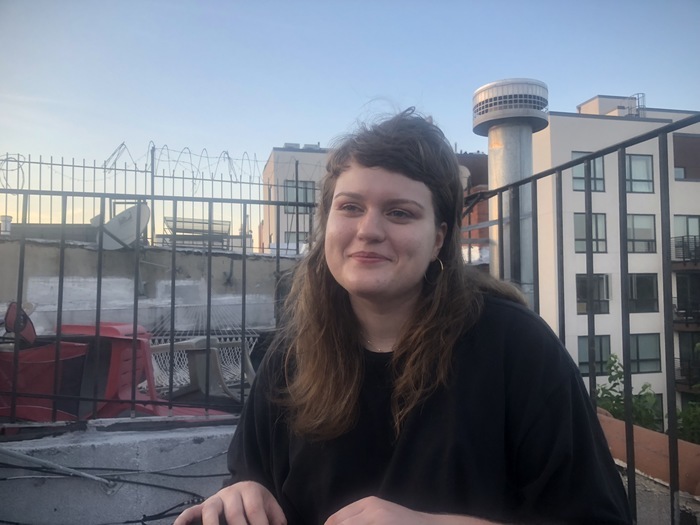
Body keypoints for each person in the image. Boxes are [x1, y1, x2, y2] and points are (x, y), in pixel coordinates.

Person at [175, 109, 632, 525]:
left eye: (399, 213)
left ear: (438, 240)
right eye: (350, 207)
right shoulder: (291, 355)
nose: (368, 230)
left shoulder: (517, 349)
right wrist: (242, 495)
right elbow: (250, 479)